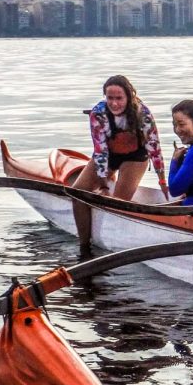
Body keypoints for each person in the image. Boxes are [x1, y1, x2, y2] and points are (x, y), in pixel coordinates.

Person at [72, 75, 167, 253]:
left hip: (135, 156)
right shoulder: (98, 113)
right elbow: (100, 149)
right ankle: (84, 245)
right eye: (110, 98)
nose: (114, 103)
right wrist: (102, 182)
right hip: (109, 154)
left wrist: (162, 180)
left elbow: (154, 147)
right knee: (78, 194)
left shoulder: (143, 114)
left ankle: (115, 241)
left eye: (119, 98)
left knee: (117, 203)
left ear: (129, 97)